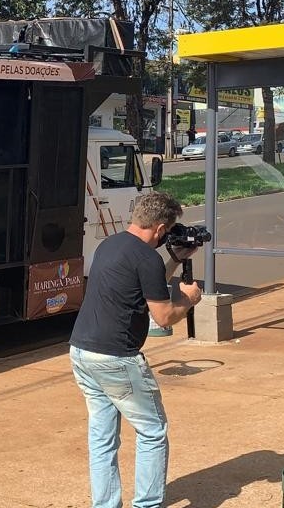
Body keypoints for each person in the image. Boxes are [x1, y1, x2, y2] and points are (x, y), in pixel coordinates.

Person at [68, 192, 202, 508]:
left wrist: (176, 259)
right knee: (153, 432)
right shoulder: (146, 258)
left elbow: (147, 282)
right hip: (117, 359)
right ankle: (147, 505)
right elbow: (164, 315)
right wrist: (190, 299)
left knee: (102, 438)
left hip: (82, 352)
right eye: (167, 231)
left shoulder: (110, 245)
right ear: (158, 229)